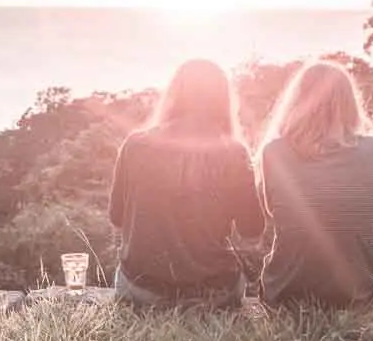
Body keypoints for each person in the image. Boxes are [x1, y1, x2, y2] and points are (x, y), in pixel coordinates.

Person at [108, 59, 265, 308]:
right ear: (223, 101)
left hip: (141, 291)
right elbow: (252, 231)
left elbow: (117, 218)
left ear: (174, 95)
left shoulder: (135, 145)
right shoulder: (234, 152)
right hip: (213, 295)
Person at [256, 60, 373, 309]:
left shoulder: (275, 152)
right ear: (350, 103)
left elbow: (273, 213)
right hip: (363, 296)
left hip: (288, 295)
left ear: (297, 102)